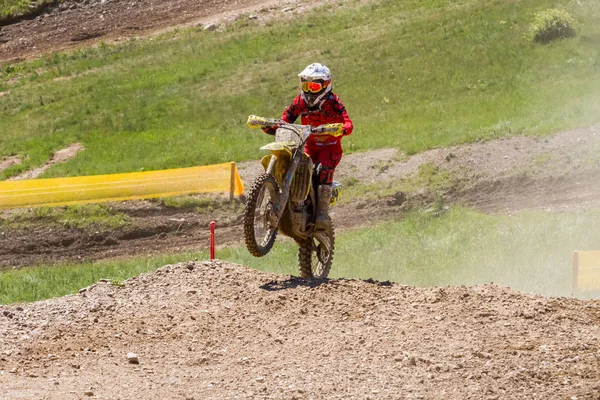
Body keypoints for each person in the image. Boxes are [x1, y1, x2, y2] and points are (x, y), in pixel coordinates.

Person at [264, 63, 353, 230]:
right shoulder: (300, 101)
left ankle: (322, 213)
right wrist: (272, 126)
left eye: (313, 86)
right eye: (306, 85)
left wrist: (342, 128)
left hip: (330, 148)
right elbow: (287, 119)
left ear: (325, 85)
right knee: (296, 166)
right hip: (309, 147)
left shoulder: (334, 103)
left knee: (323, 169)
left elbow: (348, 122)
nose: (309, 91)